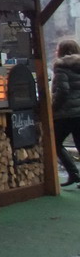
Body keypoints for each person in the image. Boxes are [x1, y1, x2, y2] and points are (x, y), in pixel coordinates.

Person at [50, 38, 80, 187]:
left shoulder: (61, 66)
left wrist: (53, 107)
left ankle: (73, 173)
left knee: (54, 142)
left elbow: (63, 90)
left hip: (66, 113)